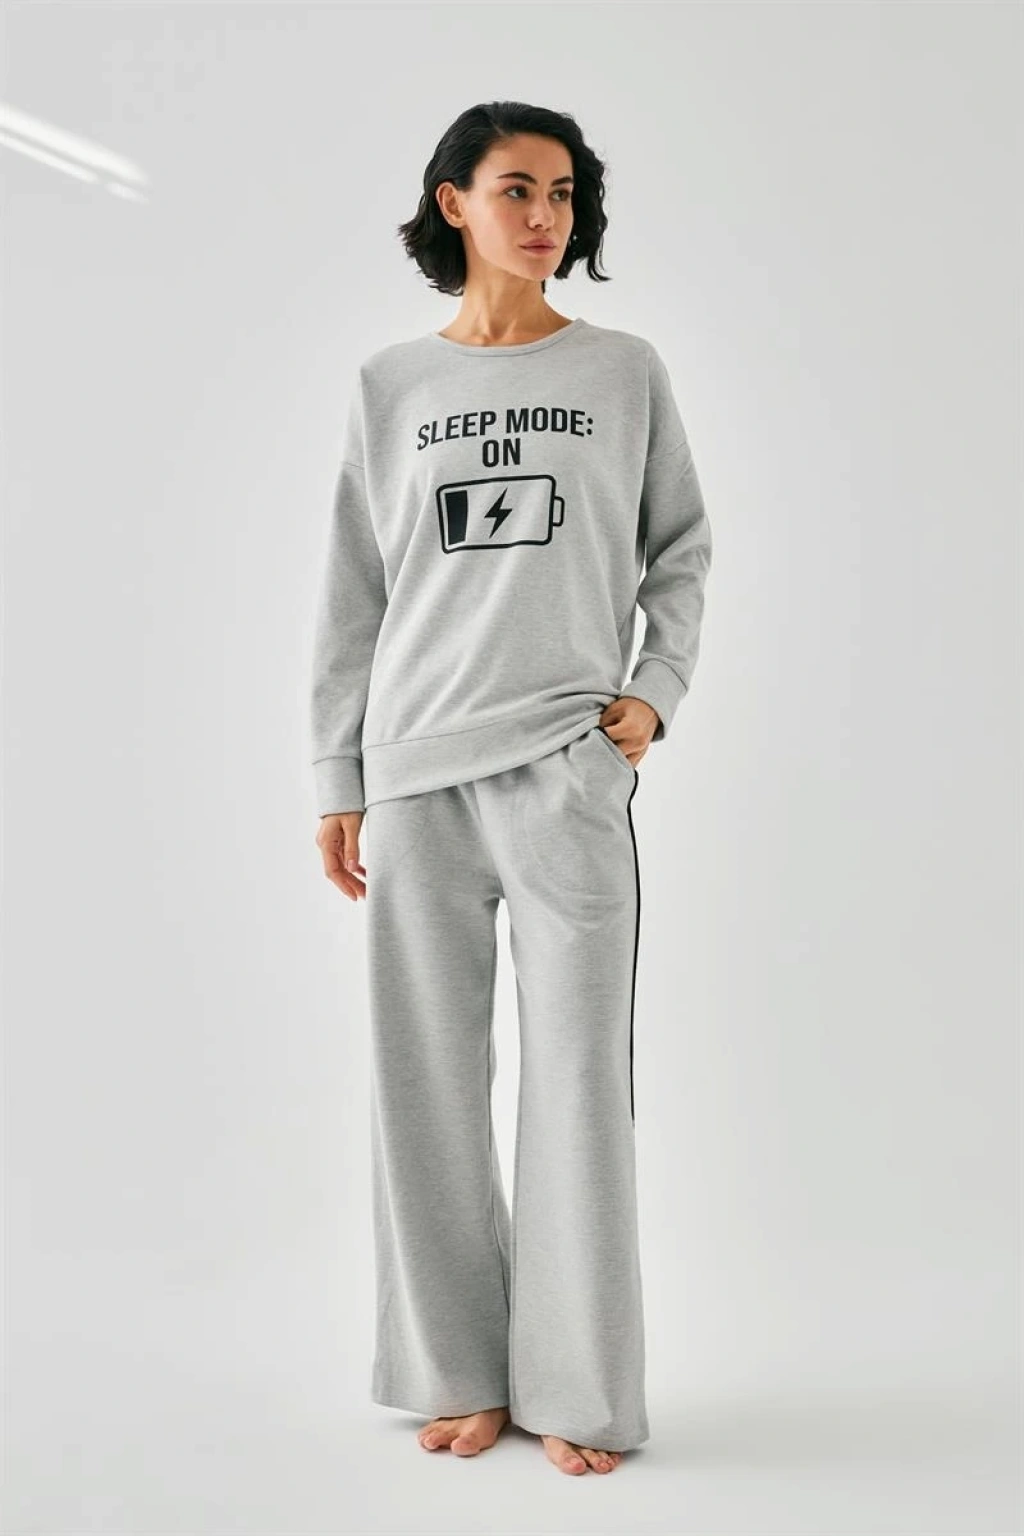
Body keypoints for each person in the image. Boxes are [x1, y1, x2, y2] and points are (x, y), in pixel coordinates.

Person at [309, 100, 712, 1477]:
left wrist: (653, 693)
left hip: (565, 770)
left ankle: (578, 1387)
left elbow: (680, 549)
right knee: (422, 1085)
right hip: (416, 774)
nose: (546, 217)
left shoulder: (622, 371)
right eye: (517, 189)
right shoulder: (390, 386)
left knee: (580, 1085)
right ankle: (457, 1371)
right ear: (455, 203)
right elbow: (353, 594)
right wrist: (338, 773)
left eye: (565, 194)